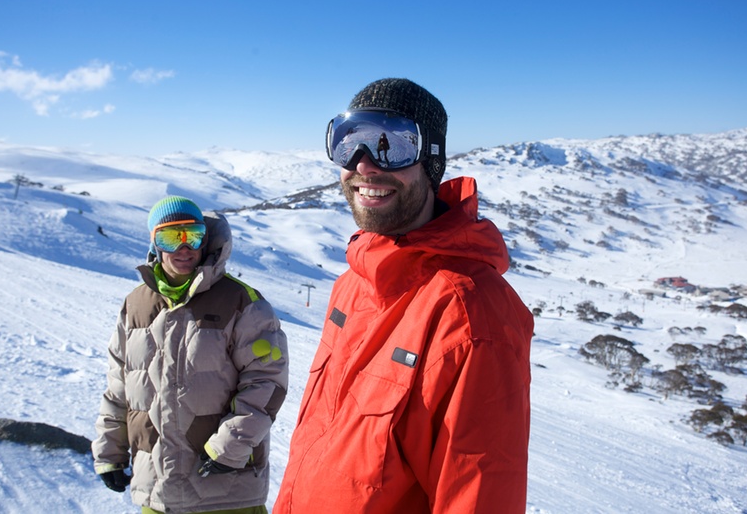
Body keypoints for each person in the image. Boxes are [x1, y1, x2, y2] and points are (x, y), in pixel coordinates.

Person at [274, 78, 534, 513]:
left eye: (391, 145)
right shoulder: (351, 284)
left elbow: (479, 498)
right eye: (348, 143)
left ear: (430, 160)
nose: (364, 166)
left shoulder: (471, 314)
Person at [92, 196, 289, 514]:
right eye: (171, 237)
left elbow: (267, 383)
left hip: (227, 488)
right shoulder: (136, 305)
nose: (184, 248)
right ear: (155, 243)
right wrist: (109, 451)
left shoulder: (242, 302)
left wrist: (229, 448)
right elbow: (119, 389)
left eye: (193, 235)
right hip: (158, 491)